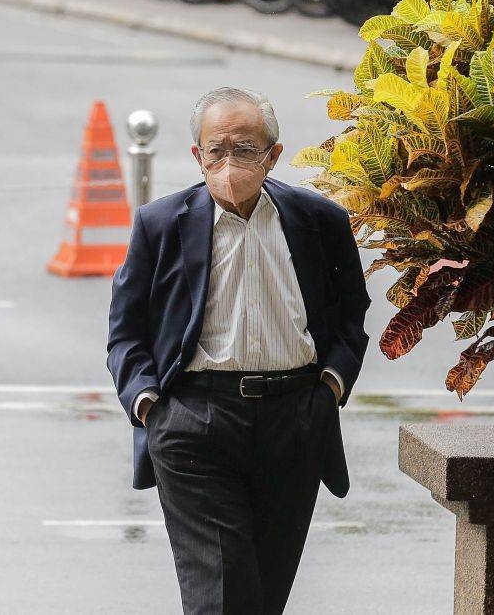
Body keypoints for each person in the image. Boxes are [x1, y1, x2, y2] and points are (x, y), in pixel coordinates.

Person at [106, 87, 371, 614]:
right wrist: (150, 405)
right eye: (216, 150)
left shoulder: (319, 221)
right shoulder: (161, 224)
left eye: (245, 149)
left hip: (295, 419)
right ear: (197, 156)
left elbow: (351, 313)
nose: (229, 163)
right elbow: (126, 330)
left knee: (264, 597)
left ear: (273, 154)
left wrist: (330, 387)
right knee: (222, 597)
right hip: (195, 420)